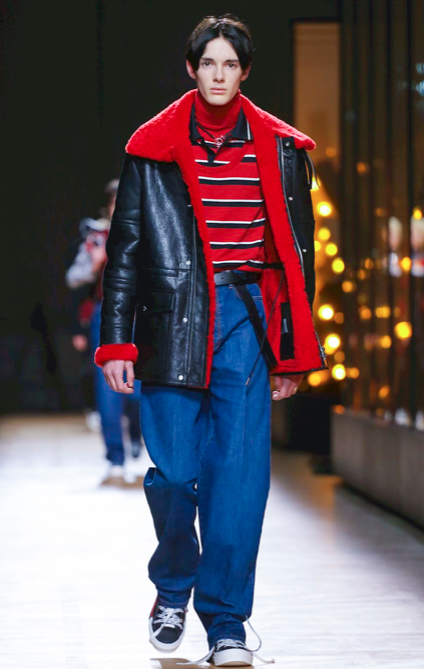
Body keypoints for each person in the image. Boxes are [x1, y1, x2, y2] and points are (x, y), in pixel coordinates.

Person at [95, 15, 328, 666]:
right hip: (171, 322)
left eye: (230, 64)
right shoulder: (152, 147)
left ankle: (226, 621)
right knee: (176, 472)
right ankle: (173, 588)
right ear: (191, 69)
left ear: (244, 72)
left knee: (240, 480)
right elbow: (125, 249)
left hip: (245, 323)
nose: (219, 75)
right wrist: (116, 343)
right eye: (208, 63)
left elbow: (297, 257)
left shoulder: (281, 149)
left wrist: (291, 349)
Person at [67, 181, 143, 479]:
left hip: (143, 315)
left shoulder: (149, 233)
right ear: (108, 207)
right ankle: (115, 456)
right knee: (107, 387)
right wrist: (94, 264)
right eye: (115, 202)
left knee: (138, 389)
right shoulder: (97, 238)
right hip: (106, 314)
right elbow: (73, 279)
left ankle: (136, 434)